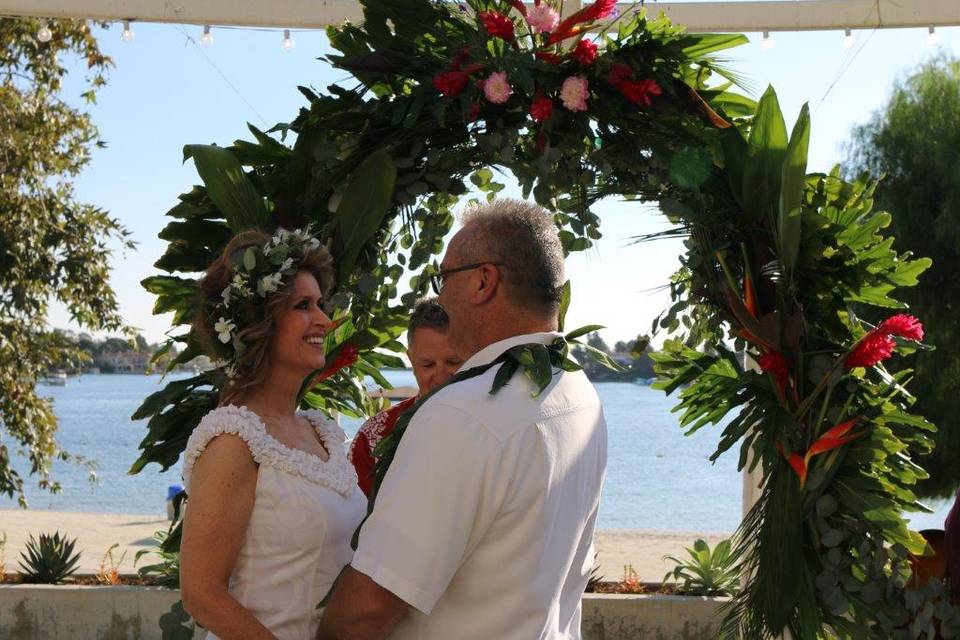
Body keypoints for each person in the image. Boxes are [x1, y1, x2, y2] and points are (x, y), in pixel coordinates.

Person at [317, 199, 608, 640]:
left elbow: (368, 609)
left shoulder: (460, 414)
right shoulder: (580, 394)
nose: (441, 295)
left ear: (482, 282)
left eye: (444, 278)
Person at [179, 228, 366, 640]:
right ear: (261, 324)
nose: (323, 319)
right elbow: (201, 593)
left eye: (321, 303)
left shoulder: (320, 431)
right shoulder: (234, 442)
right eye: (303, 306)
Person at [348, 298, 463, 497]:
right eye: (428, 365)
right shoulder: (374, 436)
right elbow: (355, 518)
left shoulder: (501, 427)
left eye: (453, 362)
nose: (442, 377)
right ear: (411, 361)